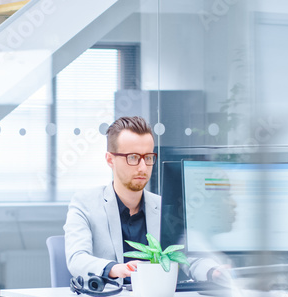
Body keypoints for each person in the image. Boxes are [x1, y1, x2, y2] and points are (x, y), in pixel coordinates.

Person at [63, 116, 220, 282]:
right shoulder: (85, 203)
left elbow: (188, 256)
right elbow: (77, 258)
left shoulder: (163, 207)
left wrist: (214, 271)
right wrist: (115, 269)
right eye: (133, 157)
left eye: (148, 157)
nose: (143, 167)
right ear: (110, 160)